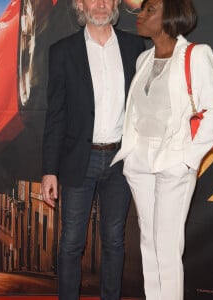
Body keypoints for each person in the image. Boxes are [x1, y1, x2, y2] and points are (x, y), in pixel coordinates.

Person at [111, 0, 213, 299]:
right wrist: (132, 153)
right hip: (140, 161)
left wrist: (189, 160)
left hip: (174, 160)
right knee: (148, 242)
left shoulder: (196, 55)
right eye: (143, 9)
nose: (141, 15)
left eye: (150, 10)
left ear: (171, 16)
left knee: (166, 246)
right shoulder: (144, 59)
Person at [41, 0, 145, 299]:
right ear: (79, 4)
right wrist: (49, 170)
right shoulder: (62, 51)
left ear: (116, 3)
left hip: (120, 161)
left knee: (114, 241)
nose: (100, 4)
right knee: (72, 243)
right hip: (78, 162)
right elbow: (55, 115)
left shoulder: (135, 47)